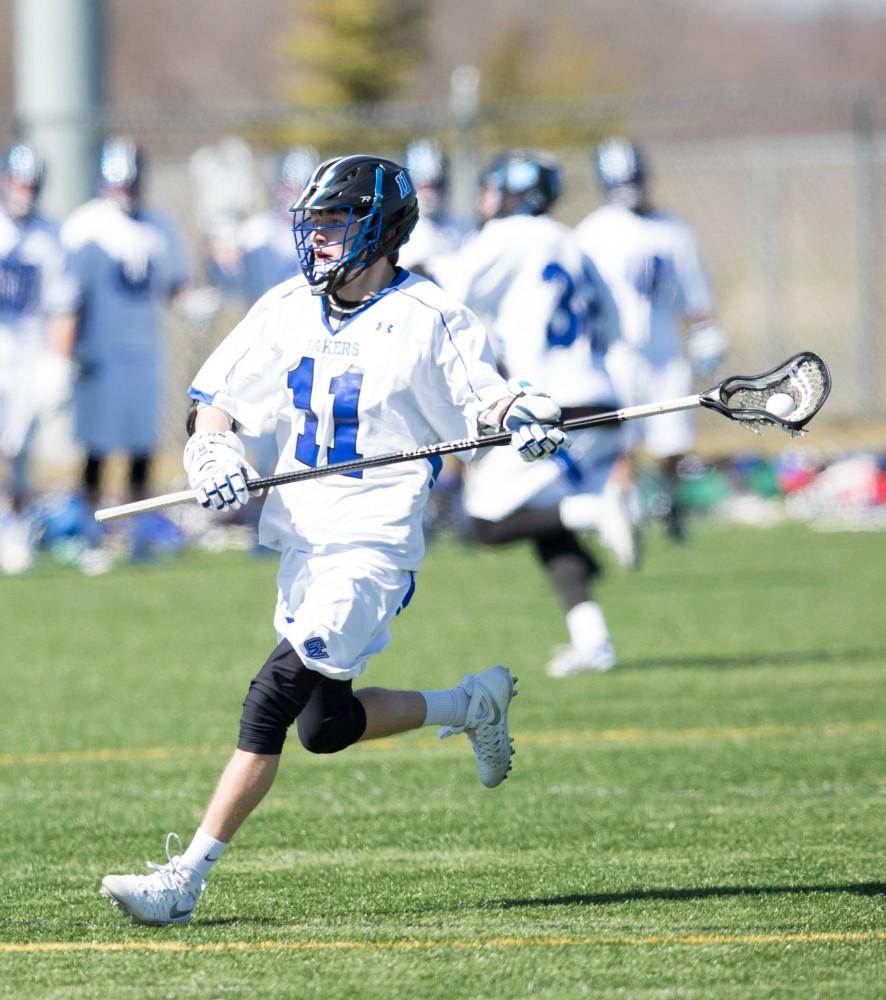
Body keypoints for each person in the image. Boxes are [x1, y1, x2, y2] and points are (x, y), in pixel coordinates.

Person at [99, 153, 568, 926]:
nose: (316, 242)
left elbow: (483, 401)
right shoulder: (285, 307)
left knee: (269, 698)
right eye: (310, 226)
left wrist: (521, 416)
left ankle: (184, 879)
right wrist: (214, 452)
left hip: (371, 545)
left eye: (333, 225)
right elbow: (213, 403)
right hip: (303, 543)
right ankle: (471, 704)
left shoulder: (429, 316)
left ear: (380, 230)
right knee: (325, 726)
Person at [425, 150, 635, 678]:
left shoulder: (509, 235)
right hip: (600, 399)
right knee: (547, 525)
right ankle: (594, 640)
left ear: (518, 193)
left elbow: (447, 290)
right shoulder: (574, 242)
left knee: (486, 523)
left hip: (546, 405)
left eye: (494, 188)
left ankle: (595, 510)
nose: (484, 199)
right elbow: (612, 327)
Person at [575, 137, 728, 542]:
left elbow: (696, 294)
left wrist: (705, 331)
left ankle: (670, 503)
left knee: (672, 440)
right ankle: (624, 511)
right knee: (619, 441)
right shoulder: (593, 232)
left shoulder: (673, 230)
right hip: (615, 351)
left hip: (665, 350)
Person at [59, 136, 193, 568]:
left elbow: (176, 288)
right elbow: (67, 299)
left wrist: (193, 305)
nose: (126, 192)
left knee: (141, 449)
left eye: (131, 183)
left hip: (144, 353)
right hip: (98, 355)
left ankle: (138, 534)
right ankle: (89, 535)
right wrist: (63, 356)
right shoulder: (85, 226)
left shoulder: (159, 227)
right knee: (95, 451)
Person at [0, 143, 77, 574]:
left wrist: (58, 362)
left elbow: (62, 306)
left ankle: (14, 527)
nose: (23, 191)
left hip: (26, 354)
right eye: (18, 181)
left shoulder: (48, 238)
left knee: (18, 451)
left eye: (31, 184)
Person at [397, 138, 471, 270]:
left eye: (435, 186)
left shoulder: (463, 229)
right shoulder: (397, 230)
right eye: (422, 186)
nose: (429, 194)